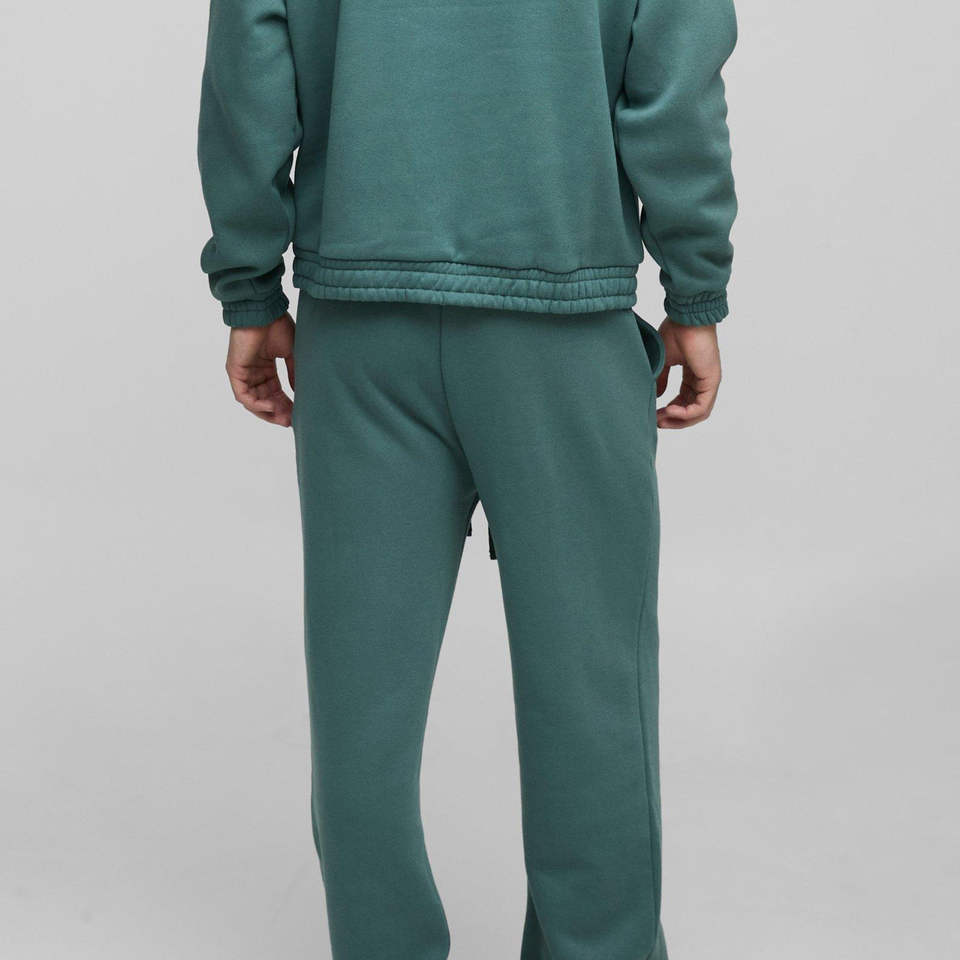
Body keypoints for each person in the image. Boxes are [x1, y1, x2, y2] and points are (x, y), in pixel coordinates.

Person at [198, 0, 736, 955]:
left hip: (360, 323)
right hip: (562, 320)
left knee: (361, 710)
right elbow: (675, 72)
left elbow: (251, 61)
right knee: (592, 698)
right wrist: (694, 286)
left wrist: (249, 286)